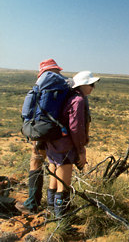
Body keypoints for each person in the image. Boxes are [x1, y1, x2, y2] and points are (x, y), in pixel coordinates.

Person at [46, 71, 100, 217]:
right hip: (64, 147)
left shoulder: (67, 97)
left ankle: (50, 211)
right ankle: (61, 219)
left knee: (54, 180)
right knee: (63, 186)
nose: (93, 88)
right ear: (82, 85)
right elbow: (75, 128)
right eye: (91, 84)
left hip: (53, 143)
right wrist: (80, 149)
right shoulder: (78, 100)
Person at [17, 59, 65, 214]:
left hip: (40, 129)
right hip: (58, 130)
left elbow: (27, 110)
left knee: (36, 162)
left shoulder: (41, 84)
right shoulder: (64, 85)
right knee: (57, 165)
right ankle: (56, 207)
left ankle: (32, 203)